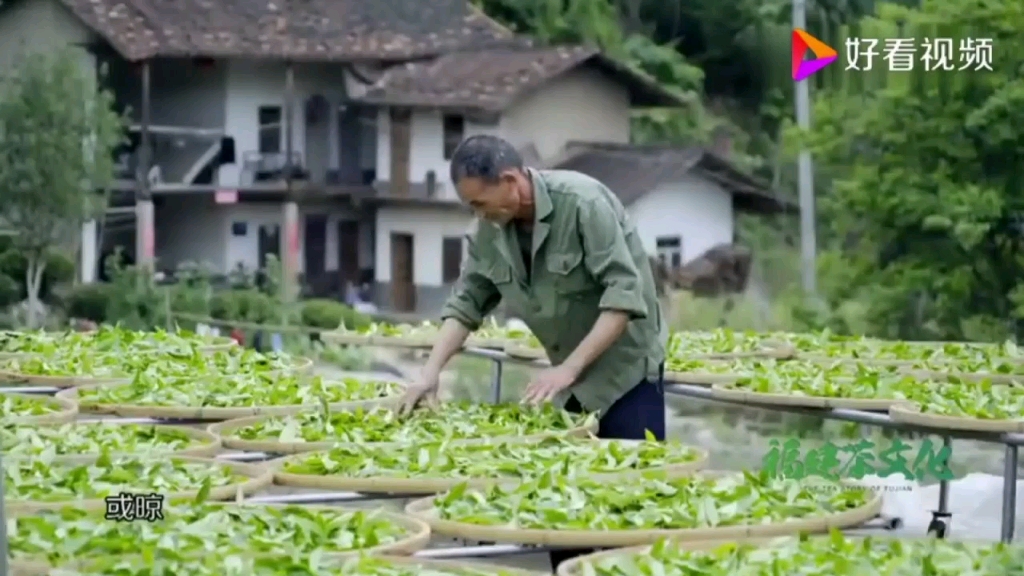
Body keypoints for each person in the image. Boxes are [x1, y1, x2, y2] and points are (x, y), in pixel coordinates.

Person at [398, 135, 667, 570]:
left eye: (481, 203)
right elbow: (467, 302)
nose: (478, 215)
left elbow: (624, 297)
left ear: (510, 180)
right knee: (566, 511)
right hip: (567, 380)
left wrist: (570, 369)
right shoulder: (489, 230)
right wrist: (429, 373)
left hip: (625, 371)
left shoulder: (582, 203)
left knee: (632, 503)